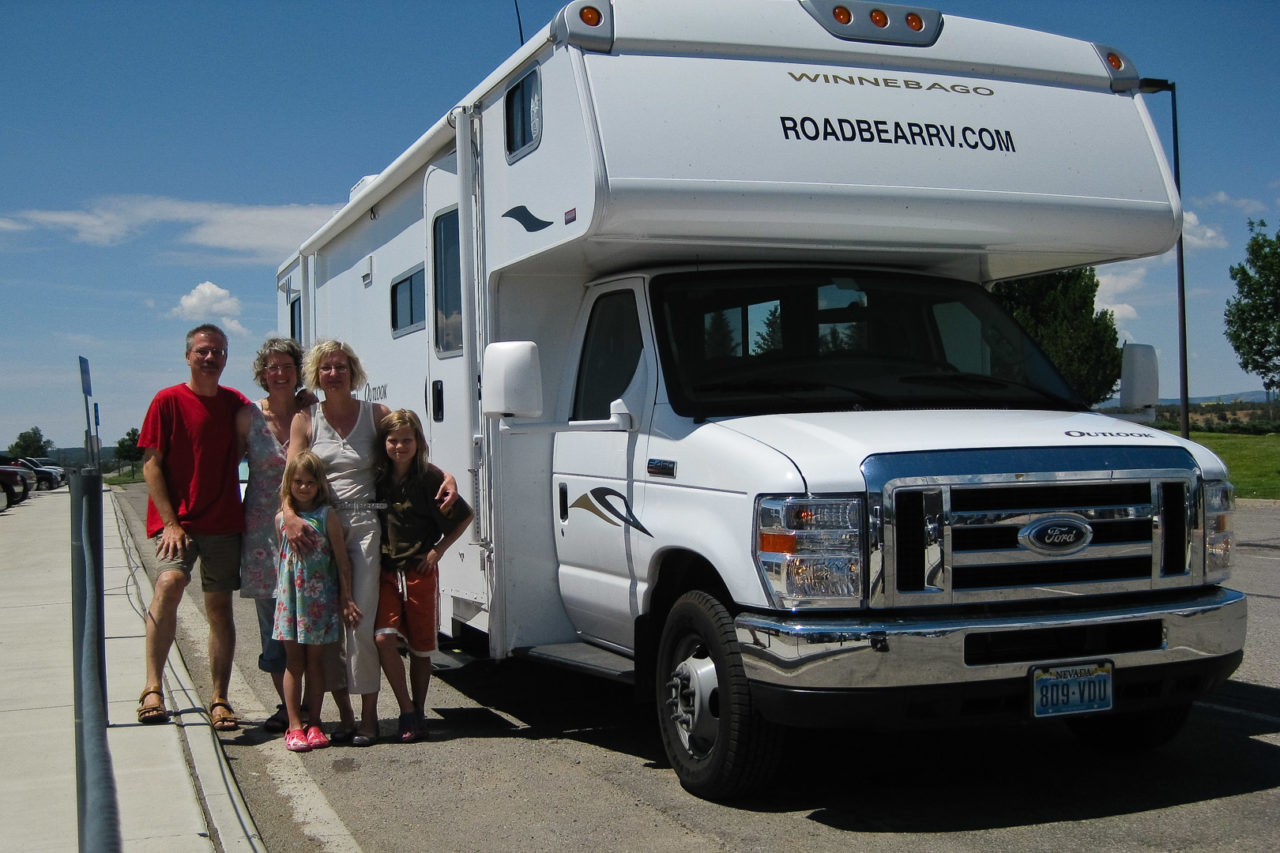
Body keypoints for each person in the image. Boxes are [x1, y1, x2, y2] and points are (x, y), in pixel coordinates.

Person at [283, 340, 458, 746]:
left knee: (359, 622)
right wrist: (289, 515)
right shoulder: (306, 419)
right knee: (324, 626)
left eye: (341, 366)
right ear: (316, 374)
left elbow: (404, 449)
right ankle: (339, 714)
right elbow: (291, 475)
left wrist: (443, 474)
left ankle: (369, 716)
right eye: (326, 367)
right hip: (320, 526)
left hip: (364, 525)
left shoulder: (374, 414)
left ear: (353, 371)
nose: (334, 373)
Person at [136, 324, 249, 730]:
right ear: (188, 356)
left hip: (221, 522)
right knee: (168, 586)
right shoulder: (166, 401)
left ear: (225, 358)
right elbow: (150, 464)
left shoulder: (235, 403)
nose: (210, 357)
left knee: (219, 609)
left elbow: (271, 417)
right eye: (202, 351)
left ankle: (219, 697)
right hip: (175, 524)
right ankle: (153, 687)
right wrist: (169, 522)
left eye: (217, 351)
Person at [374, 409, 473, 743]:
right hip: (386, 569)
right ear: (383, 443)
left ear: (417, 442)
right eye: (392, 440)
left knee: (420, 647)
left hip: (419, 571)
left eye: (406, 440)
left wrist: (438, 551)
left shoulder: (430, 479)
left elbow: (464, 516)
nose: (399, 447)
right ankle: (404, 707)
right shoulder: (377, 477)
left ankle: (418, 710)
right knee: (384, 638)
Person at [236, 337, 307, 733]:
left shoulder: (311, 410)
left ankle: (308, 704)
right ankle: (287, 708)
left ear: (298, 371)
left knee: (308, 618)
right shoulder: (248, 416)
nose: (279, 374)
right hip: (262, 530)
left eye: (287, 366)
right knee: (274, 624)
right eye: (272, 367)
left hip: (304, 528)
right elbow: (221, 464)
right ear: (262, 374)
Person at [273, 450, 360, 752]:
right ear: (290, 483)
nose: (304, 487)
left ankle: (316, 722)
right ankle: (294, 724)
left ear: (319, 484)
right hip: (291, 602)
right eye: (298, 481)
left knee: (316, 663)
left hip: (319, 602)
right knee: (294, 662)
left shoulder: (327, 516)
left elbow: (341, 559)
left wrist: (346, 597)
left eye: (310, 482)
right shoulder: (281, 520)